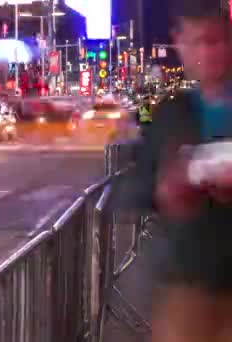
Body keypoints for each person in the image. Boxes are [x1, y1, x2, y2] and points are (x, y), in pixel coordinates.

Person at [129, 1, 232, 341]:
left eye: (214, 41)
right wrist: (164, 190)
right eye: (195, 42)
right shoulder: (169, 115)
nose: (206, 52)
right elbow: (134, 186)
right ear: (180, 44)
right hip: (187, 287)